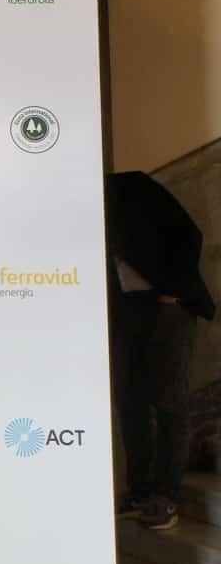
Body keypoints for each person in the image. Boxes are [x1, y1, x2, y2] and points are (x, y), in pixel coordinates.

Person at [107, 171, 215, 531]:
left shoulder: (131, 187)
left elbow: (189, 234)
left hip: (169, 305)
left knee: (168, 398)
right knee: (129, 399)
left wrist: (174, 289)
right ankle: (139, 492)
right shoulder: (75, 206)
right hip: (126, 309)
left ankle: (167, 495)